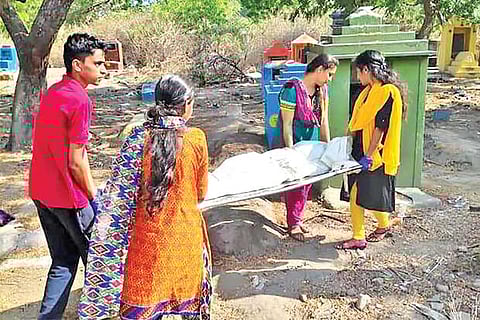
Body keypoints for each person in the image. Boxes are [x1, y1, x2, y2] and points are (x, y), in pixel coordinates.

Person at [78, 75, 211, 320]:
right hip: (186, 241)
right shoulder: (196, 139)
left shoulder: (137, 139)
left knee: (143, 306)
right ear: (185, 104)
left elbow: (119, 197)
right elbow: (202, 192)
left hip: (147, 245)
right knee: (187, 301)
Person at [28, 33, 106, 319]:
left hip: (41, 193)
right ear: (77, 64)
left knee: (62, 261)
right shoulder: (79, 100)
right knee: (100, 263)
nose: (103, 69)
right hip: (68, 196)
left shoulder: (54, 93)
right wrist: (94, 197)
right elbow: (76, 162)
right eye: (97, 63)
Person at [336, 50, 407, 250]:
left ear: (367, 69)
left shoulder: (387, 92)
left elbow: (380, 127)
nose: (357, 77)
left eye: (358, 72)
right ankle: (384, 225)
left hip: (376, 154)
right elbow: (358, 122)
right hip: (362, 151)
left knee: (359, 193)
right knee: (367, 194)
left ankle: (359, 236)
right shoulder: (367, 91)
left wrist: (368, 155)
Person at [272, 54, 339, 242]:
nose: (330, 79)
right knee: (294, 182)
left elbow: (324, 120)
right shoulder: (291, 90)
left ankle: (298, 218)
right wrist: (291, 151)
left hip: (312, 140)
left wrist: (328, 147)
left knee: (308, 182)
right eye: (329, 74)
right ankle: (293, 223)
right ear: (319, 70)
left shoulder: (322, 91)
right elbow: (287, 125)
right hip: (293, 139)